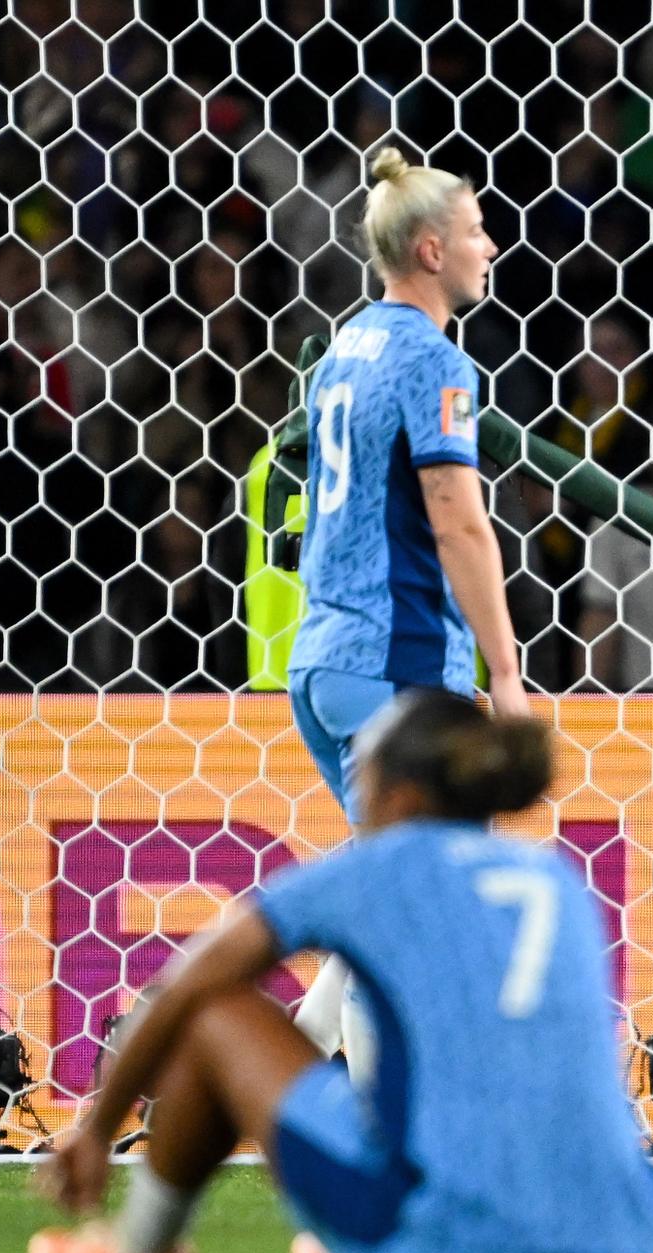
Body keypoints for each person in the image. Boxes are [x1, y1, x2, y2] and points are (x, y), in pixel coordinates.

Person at [28, 691, 653, 1253]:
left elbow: (184, 985)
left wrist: (96, 1130)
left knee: (217, 1014)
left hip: (448, 1243)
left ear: (399, 796)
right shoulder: (553, 876)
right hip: (617, 1247)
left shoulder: (372, 868)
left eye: (360, 772)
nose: (354, 791)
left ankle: (140, 1250)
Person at [287, 146, 530, 1060]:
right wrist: (503, 672)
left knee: (392, 876)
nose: (491, 245)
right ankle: (361, 1148)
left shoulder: (344, 347)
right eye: (475, 232)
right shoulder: (435, 362)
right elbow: (459, 523)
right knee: (414, 904)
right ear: (431, 249)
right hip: (398, 662)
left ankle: (284, 1070)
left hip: (322, 661)